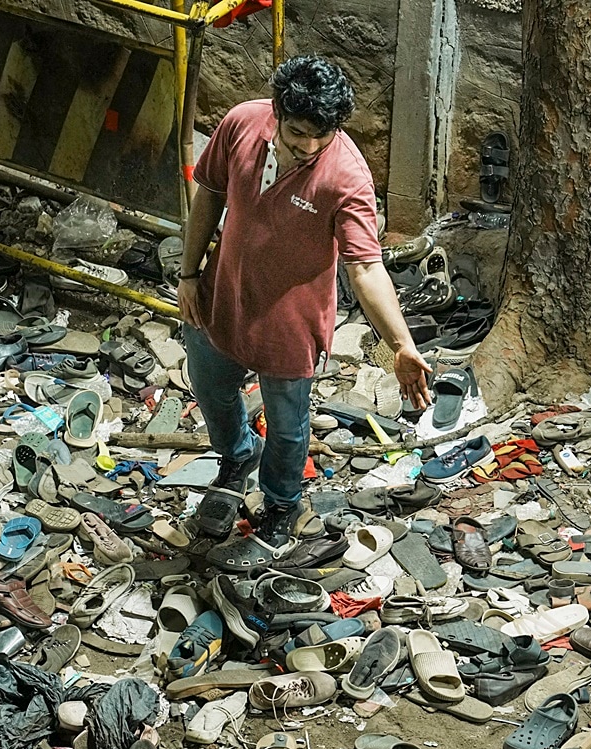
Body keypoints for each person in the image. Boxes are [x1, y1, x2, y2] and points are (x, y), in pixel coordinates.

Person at [177, 55, 432, 552]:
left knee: (289, 431)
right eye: (297, 131)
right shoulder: (241, 123)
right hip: (222, 296)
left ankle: (280, 502)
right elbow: (208, 193)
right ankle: (235, 457)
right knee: (211, 390)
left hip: (290, 324)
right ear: (275, 111)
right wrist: (189, 274)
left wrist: (400, 343)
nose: (308, 146)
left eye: (322, 135)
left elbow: (364, 267)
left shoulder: (346, 176)